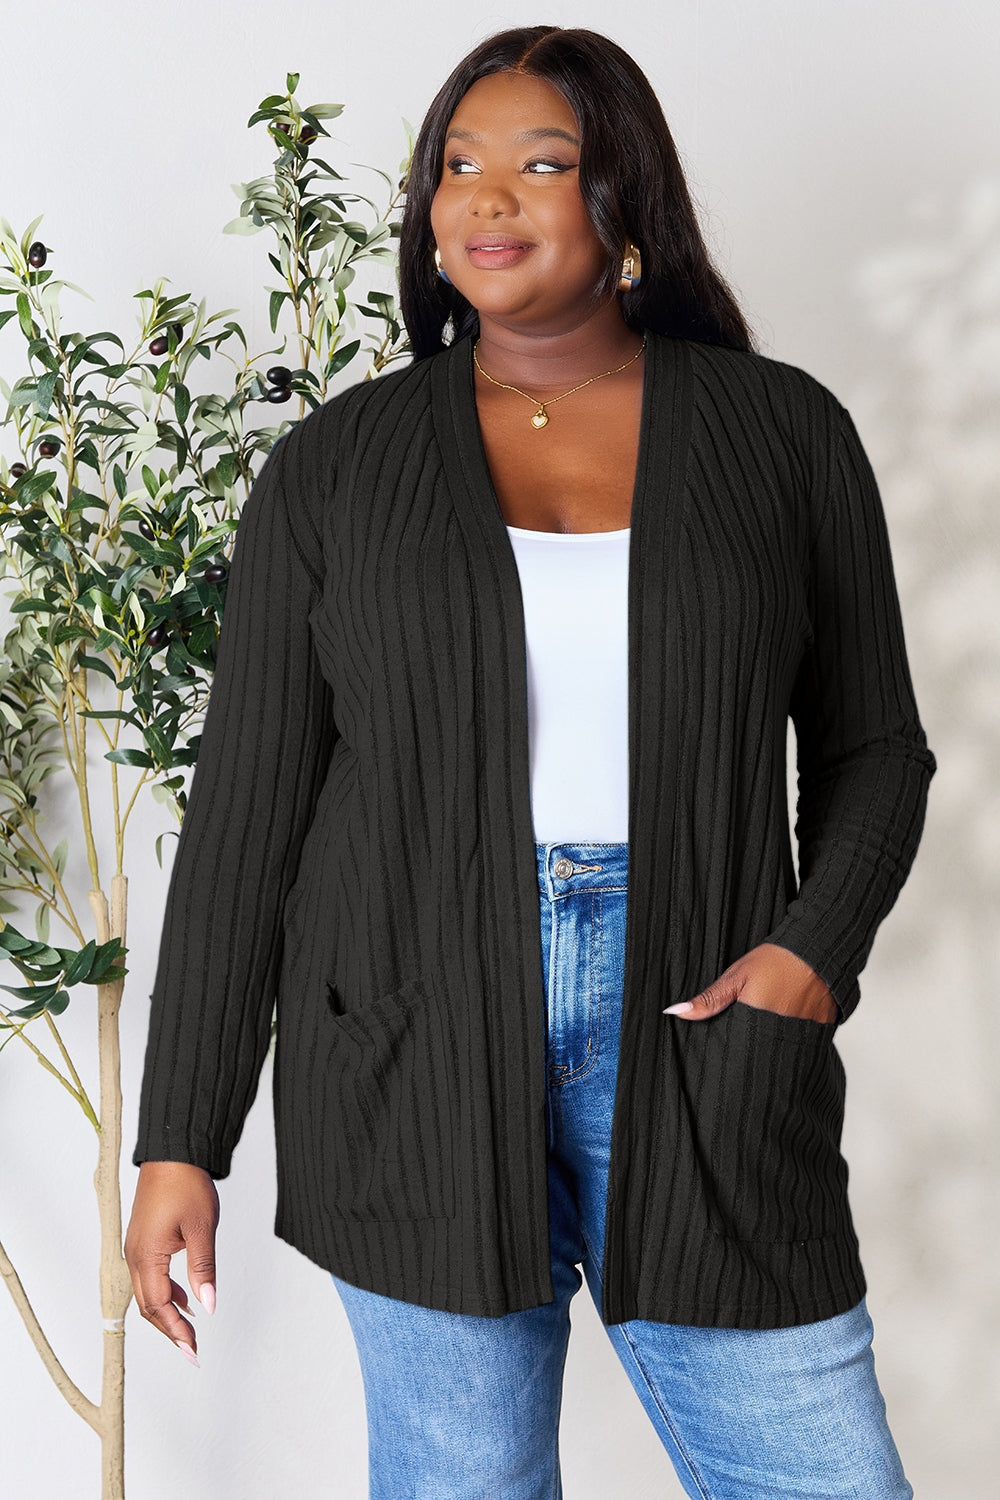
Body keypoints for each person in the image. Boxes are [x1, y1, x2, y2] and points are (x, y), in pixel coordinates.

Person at [124, 24, 936, 1499]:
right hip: (407, 1033)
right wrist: (182, 1141)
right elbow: (248, 821)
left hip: (702, 1023)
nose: (487, 199)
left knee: (824, 1474)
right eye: (458, 165)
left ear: (627, 207)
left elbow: (879, 748)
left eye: (542, 164)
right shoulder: (337, 469)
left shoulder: (783, 438)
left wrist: (811, 955)